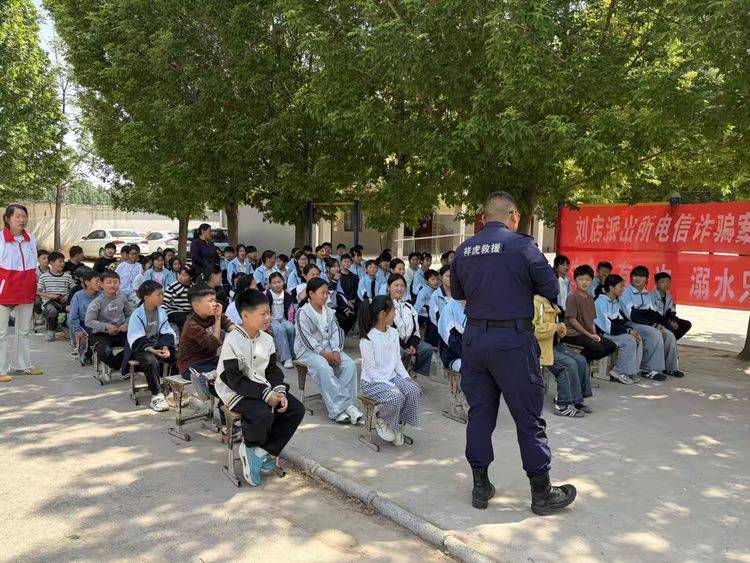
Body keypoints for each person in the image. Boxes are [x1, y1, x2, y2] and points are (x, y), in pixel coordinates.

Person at [450, 191, 576, 515]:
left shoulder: (464, 249)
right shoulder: (523, 246)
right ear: (514, 216)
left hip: (475, 338)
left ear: (482, 218)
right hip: (512, 340)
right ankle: (541, 492)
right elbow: (550, 288)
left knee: (479, 414)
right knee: (528, 417)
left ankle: (480, 487)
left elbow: (458, 292)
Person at [215, 289, 305, 485]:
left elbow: (272, 370)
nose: (268, 317)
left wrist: (279, 390)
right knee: (262, 413)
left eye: (269, 312)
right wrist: (266, 394)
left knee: (295, 409)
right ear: (245, 316)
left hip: (262, 387)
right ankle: (250, 446)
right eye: (263, 313)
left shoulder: (267, 339)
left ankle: (262, 451)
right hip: (234, 390)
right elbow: (234, 379)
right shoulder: (232, 341)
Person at [294, 278, 362, 423]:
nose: (326, 296)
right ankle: (342, 408)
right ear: (311, 293)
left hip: (330, 348)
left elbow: (336, 332)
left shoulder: (330, 312)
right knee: (324, 367)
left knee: (349, 365)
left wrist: (336, 351)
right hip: (308, 351)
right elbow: (306, 339)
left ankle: (345, 407)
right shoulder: (303, 313)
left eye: (327, 293)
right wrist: (324, 354)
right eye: (322, 293)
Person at [358, 295, 422, 445]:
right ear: (382, 314)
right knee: (396, 396)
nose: (395, 314)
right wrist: (392, 386)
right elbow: (371, 371)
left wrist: (407, 378)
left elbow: (397, 361)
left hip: (390, 378)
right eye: (393, 311)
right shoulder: (367, 340)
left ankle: (397, 425)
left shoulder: (393, 332)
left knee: (414, 390)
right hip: (372, 382)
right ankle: (380, 417)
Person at [0, 204, 44, 380]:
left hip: (26, 288)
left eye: (24, 216)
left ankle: (22, 365)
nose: (22, 220)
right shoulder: (0, 239)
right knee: (2, 332)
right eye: (17, 216)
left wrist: (35, 281)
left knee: (23, 330)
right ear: (7, 219)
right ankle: (1, 370)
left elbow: (33, 262)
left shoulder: (30, 238)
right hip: (5, 290)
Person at [532, 294, 592, 417]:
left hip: (555, 345)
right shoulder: (534, 302)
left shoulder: (551, 302)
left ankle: (576, 400)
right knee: (568, 364)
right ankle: (562, 406)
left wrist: (561, 329)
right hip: (541, 348)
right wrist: (555, 327)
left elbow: (560, 328)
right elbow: (533, 331)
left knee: (580, 360)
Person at [620, 265, 683, 378]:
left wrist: (664, 324)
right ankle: (648, 369)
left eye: (641, 276)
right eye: (635, 275)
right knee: (654, 333)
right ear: (631, 277)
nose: (638, 278)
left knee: (669, 334)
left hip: (645, 323)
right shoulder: (625, 292)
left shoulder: (646, 293)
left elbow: (652, 313)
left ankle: (669, 367)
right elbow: (631, 315)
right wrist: (653, 325)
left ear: (647, 279)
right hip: (630, 323)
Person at [177, 285, 234, 404]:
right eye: (210, 301)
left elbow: (231, 327)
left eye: (215, 300)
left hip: (211, 361)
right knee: (224, 376)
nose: (215, 304)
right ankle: (211, 391)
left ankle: (208, 377)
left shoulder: (214, 314)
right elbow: (213, 344)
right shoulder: (192, 324)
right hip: (192, 365)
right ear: (196, 306)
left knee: (234, 367)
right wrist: (217, 319)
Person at [125, 281, 177, 412]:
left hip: (158, 344)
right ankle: (156, 395)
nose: (162, 297)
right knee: (150, 361)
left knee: (177, 356)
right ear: (146, 297)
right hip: (142, 347)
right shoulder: (137, 314)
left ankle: (171, 389)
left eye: (162, 294)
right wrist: (152, 350)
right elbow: (135, 337)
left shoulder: (162, 311)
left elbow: (166, 331)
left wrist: (165, 347)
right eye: (159, 294)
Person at [594, 274, 649, 384]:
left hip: (613, 331)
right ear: (611, 288)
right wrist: (627, 332)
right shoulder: (600, 302)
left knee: (637, 338)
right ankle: (619, 371)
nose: (623, 289)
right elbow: (607, 325)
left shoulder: (615, 301)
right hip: (602, 333)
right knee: (628, 340)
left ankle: (631, 372)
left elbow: (620, 321)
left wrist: (630, 331)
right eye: (621, 286)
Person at [562, 265, 618, 362]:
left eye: (587, 280)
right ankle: (578, 363)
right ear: (575, 280)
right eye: (581, 279)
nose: (584, 282)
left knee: (611, 346)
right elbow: (572, 321)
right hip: (572, 334)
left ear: (592, 281)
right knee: (597, 348)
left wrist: (594, 334)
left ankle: (580, 361)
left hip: (586, 334)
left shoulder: (590, 298)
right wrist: (589, 335)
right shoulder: (572, 297)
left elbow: (592, 320)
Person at [85, 271, 134, 372]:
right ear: (101, 284)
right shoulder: (97, 302)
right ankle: (119, 366)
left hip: (121, 332)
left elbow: (130, 314)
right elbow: (89, 321)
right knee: (104, 353)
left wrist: (126, 324)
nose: (112, 285)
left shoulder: (122, 297)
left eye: (115, 282)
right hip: (102, 335)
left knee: (138, 345)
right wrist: (105, 326)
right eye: (109, 282)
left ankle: (120, 365)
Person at [387, 274, 432, 377]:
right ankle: (393, 377)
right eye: (396, 285)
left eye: (402, 286)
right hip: (391, 343)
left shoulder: (409, 307)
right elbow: (389, 330)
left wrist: (412, 345)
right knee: (399, 351)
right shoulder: (384, 305)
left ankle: (413, 373)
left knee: (427, 348)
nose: (399, 289)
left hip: (407, 343)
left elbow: (415, 331)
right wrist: (404, 346)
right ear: (389, 287)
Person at [37, 251, 76, 342]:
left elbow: (74, 289)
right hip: (50, 302)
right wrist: (49, 295)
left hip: (64, 301)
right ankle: (52, 330)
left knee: (73, 309)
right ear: (51, 263)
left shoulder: (67, 276)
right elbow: (38, 291)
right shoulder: (44, 277)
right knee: (52, 311)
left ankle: (64, 326)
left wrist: (68, 295)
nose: (62, 264)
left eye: (63, 261)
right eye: (60, 261)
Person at [69, 270, 101, 365]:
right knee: (93, 334)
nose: (99, 283)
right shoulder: (78, 296)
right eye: (97, 281)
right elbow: (73, 316)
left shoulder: (102, 294)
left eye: (100, 281)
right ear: (87, 282)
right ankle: (86, 354)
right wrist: (77, 329)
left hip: (100, 322)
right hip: (84, 323)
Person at [265, 272, 296, 369]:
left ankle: (292, 353)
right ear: (270, 284)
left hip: (283, 318)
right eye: (274, 283)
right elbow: (264, 310)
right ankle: (286, 358)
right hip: (272, 320)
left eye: (279, 282)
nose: (277, 284)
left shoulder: (287, 294)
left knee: (290, 328)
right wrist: (267, 322)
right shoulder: (266, 294)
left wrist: (290, 320)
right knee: (280, 330)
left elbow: (290, 309)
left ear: (283, 282)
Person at [651, 272, 692, 340]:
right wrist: (670, 322)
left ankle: (670, 342)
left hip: (667, 319)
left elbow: (671, 312)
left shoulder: (669, 297)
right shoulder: (651, 296)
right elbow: (655, 315)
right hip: (656, 320)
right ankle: (669, 342)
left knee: (686, 324)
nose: (666, 285)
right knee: (670, 327)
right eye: (663, 282)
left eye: (668, 282)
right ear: (656, 283)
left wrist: (673, 321)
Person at [437, 297, 465, 372]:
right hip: (453, 356)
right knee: (472, 371)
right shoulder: (450, 306)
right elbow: (450, 339)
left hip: (475, 357)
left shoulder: (478, 308)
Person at [163, 265, 195, 330]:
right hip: (174, 311)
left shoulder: (194, 287)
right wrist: (162, 315)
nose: (181, 277)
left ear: (191, 277)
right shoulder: (171, 287)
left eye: (184, 275)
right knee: (185, 319)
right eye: (180, 274)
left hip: (189, 312)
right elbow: (164, 303)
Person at [414, 269, 440, 347]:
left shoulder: (436, 290)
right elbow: (418, 308)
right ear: (426, 281)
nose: (436, 281)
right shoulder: (424, 291)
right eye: (433, 279)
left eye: (437, 279)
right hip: (421, 315)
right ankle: (432, 343)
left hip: (429, 313)